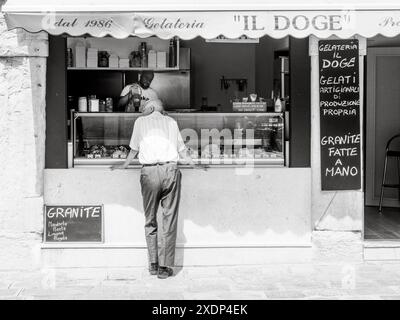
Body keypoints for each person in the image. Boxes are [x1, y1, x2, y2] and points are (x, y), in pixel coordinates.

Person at [111, 99, 198, 279]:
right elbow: (182, 150)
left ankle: (153, 263)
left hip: (149, 172)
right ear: (161, 109)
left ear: (149, 108)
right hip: (170, 171)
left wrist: (124, 165)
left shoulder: (140, 122)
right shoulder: (172, 122)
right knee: (169, 219)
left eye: (144, 107)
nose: (142, 109)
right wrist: (195, 164)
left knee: (150, 218)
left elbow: (134, 149)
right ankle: (164, 267)